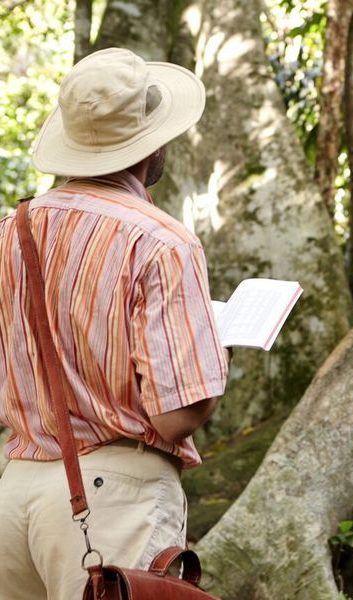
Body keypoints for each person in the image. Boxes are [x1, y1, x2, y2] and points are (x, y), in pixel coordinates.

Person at [0, 47, 229, 599]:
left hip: (16, 493)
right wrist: (216, 349)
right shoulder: (161, 241)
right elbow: (178, 417)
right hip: (113, 496)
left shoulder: (11, 230)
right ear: (150, 145)